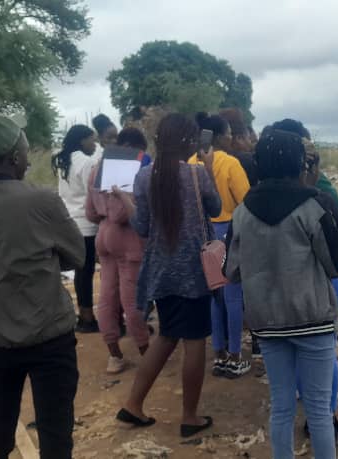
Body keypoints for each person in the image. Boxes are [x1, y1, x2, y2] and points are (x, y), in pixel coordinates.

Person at [225, 128, 338, 459]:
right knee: (319, 413)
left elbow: (232, 271)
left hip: (267, 324)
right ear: (300, 163)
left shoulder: (242, 213)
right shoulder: (313, 206)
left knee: (281, 408)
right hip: (312, 321)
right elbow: (335, 262)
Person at [0, 111, 84, 459]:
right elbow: (77, 256)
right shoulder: (41, 200)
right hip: (48, 334)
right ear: (17, 157)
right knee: (55, 435)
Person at [117, 113, 219, 438]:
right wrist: (211, 169)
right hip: (194, 271)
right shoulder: (197, 174)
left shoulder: (145, 177)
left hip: (161, 272)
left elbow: (143, 226)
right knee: (194, 342)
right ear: (189, 142)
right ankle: (189, 416)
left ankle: (133, 404)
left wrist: (124, 200)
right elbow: (215, 209)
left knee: (166, 336)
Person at [269, 118, 338, 439]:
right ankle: (321, 413)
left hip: (297, 291)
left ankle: (323, 413)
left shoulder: (316, 194)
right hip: (304, 290)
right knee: (313, 351)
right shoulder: (312, 195)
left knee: (311, 351)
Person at [85, 127, 153, 374]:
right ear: (135, 148)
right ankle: (146, 352)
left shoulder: (97, 168)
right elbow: (123, 212)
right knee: (131, 298)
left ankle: (114, 354)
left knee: (106, 296)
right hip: (128, 237)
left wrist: (105, 219)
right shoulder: (129, 169)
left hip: (103, 235)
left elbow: (90, 212)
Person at [188, 112, 251, 378]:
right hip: (229, 232)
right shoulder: (230, 163)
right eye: (227, 133)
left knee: (215, 295)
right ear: (219, 136)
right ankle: (236, 355)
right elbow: (246, 202)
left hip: (202, 234)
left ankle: (219, 354)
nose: (230, 137)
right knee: (234, 296)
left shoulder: (190, 162)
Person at [52, 125, 101, 333]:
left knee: (81, 270)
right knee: (87, 270)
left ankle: (84, 314)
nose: (94, 144)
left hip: (70, 221)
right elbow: (93, 195)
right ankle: (88, 316)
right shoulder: (87, 162)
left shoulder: (64, 161)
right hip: (88, 222)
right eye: (92, 140)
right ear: (82, 141)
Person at [219, 107, 258, 185]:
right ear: (239, 138)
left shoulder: (208, 160)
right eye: (249, 139)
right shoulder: (247, 161)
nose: (250, 144)